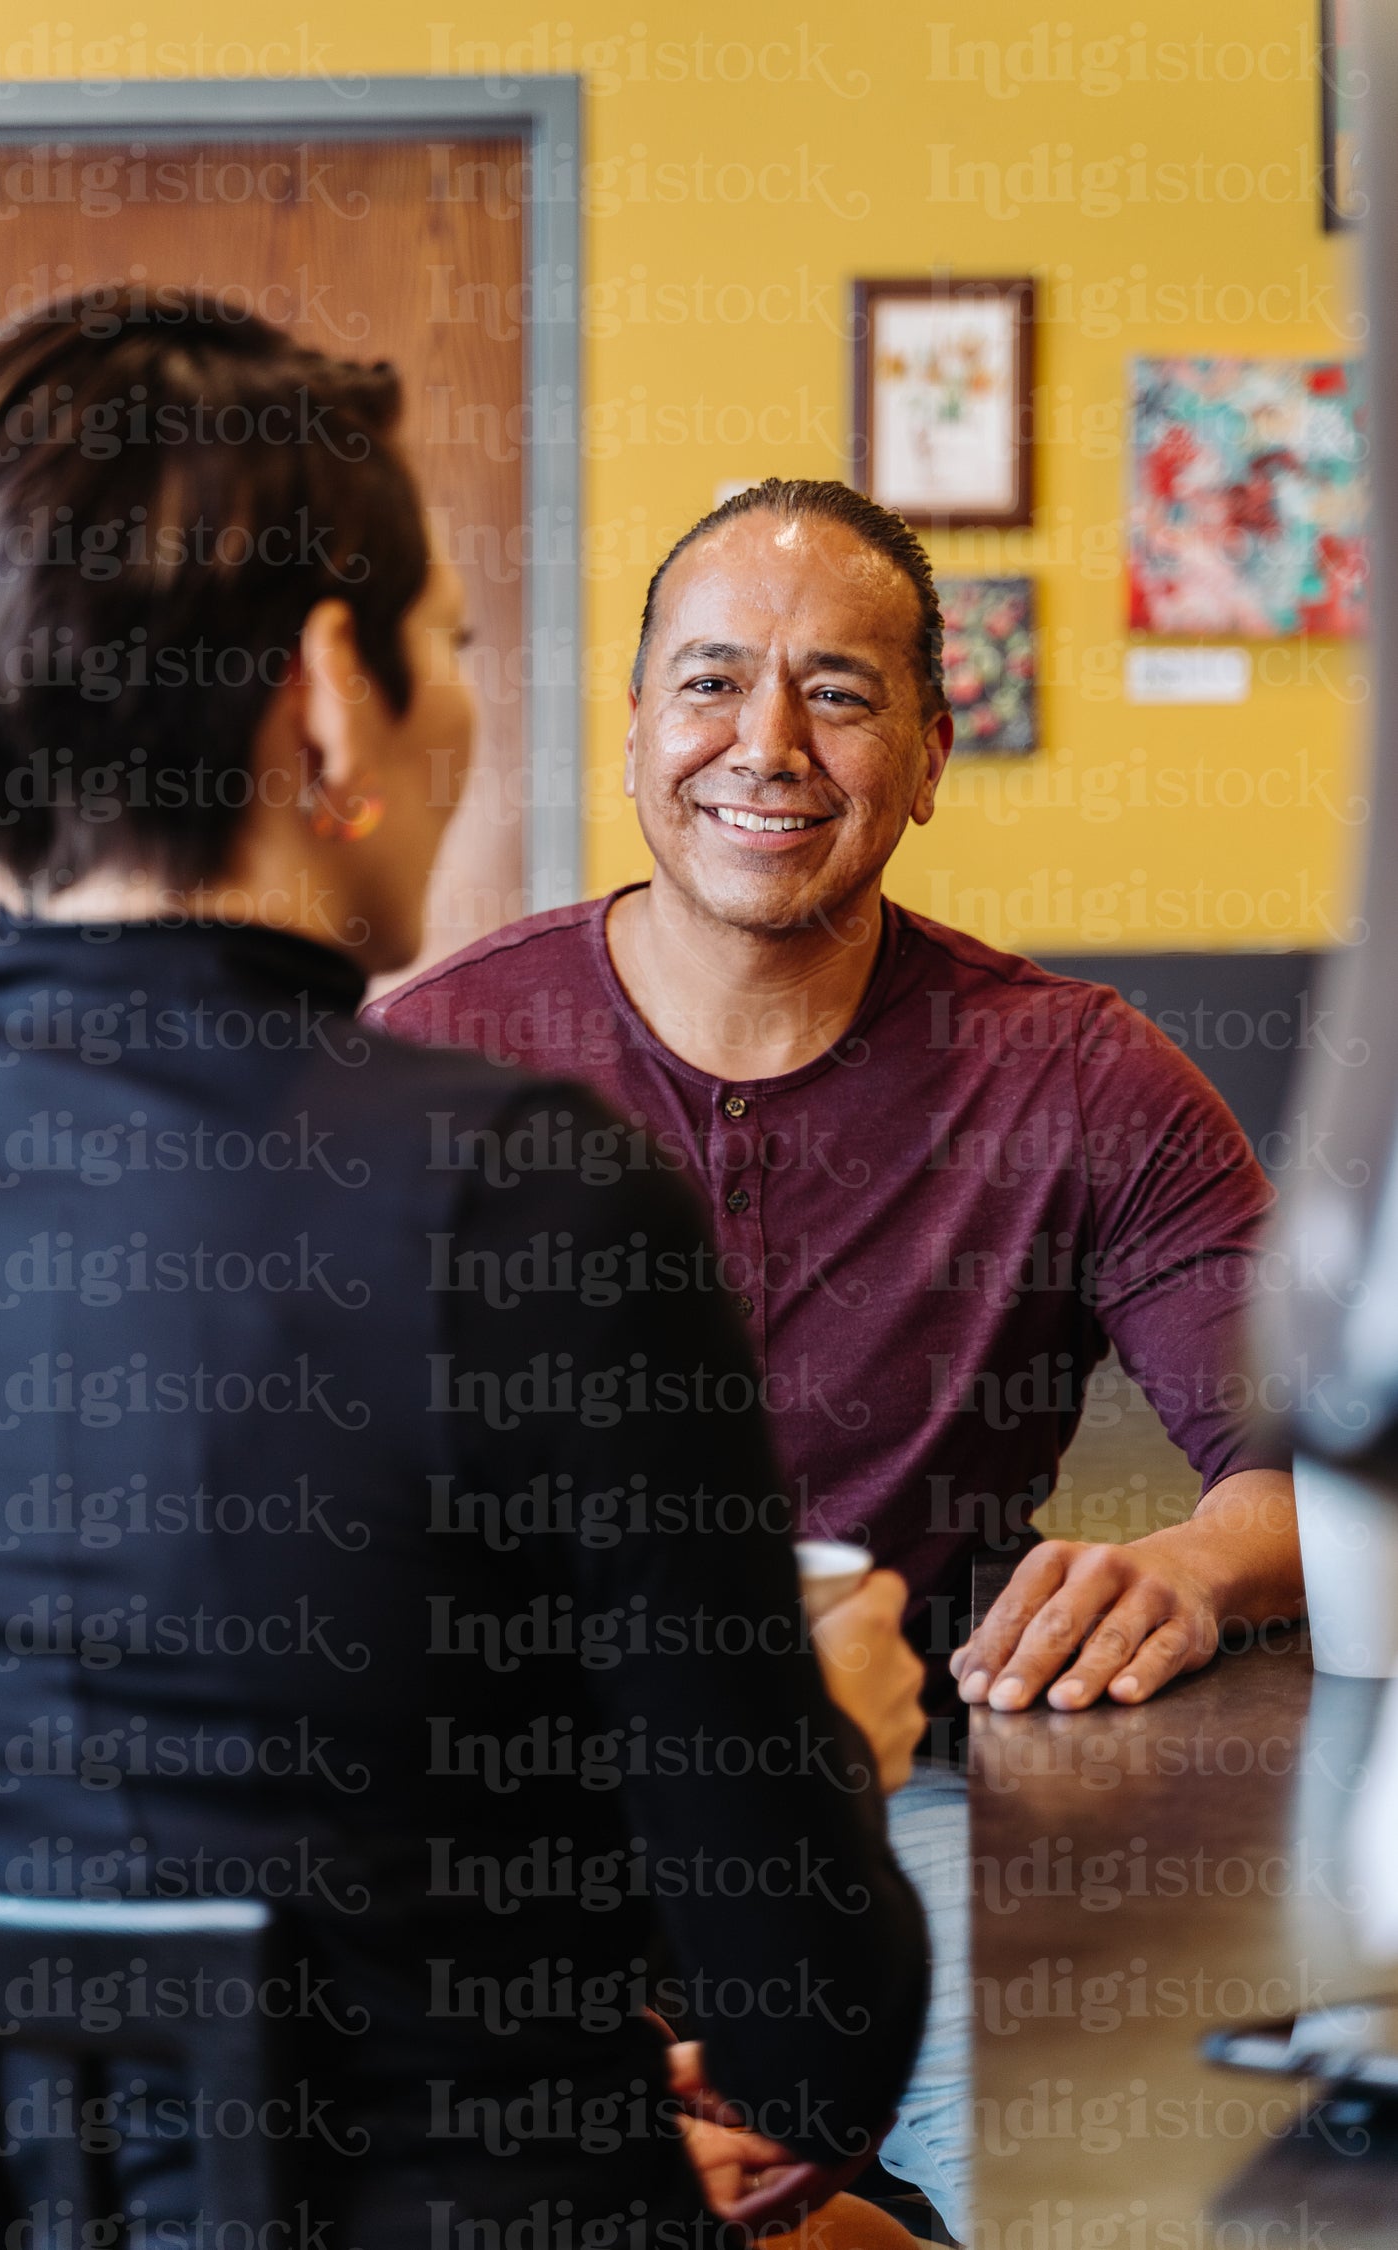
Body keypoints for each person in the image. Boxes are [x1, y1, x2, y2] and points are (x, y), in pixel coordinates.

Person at [0, 305, 931, 2247]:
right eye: (451, 649)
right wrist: (825, 1747)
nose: (462, 713)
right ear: (325, 700)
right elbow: (813, 2047)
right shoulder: (531, 1202)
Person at [368, 476, 1305, 2236]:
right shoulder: (436, 1057)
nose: (767, 742)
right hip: (498, 1820)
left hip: (907, 1803)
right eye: (713, 680)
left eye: (843, 692)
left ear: (935, 753)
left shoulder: (1080, 1079)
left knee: (1085, 2194)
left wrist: (1195, 1560)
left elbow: (1330, 1463)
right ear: (638, 727)